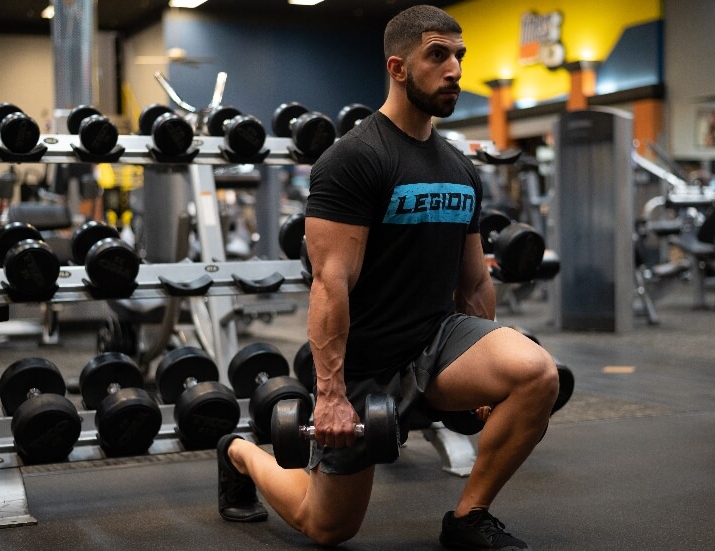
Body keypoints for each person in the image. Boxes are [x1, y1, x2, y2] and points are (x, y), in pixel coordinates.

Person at [216, 5, 559, 550]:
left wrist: (489, 380)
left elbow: (472, 285)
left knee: (536, 372)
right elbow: (331, 284)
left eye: (459, 56)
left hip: (436, 345)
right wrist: (329, 395)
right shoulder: (352, 160)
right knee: (327, 527)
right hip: (366, 362)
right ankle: (239, 452)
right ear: (398, 68)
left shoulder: (460, 167)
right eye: (437, 55)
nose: (454, 70)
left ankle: (469, 517)